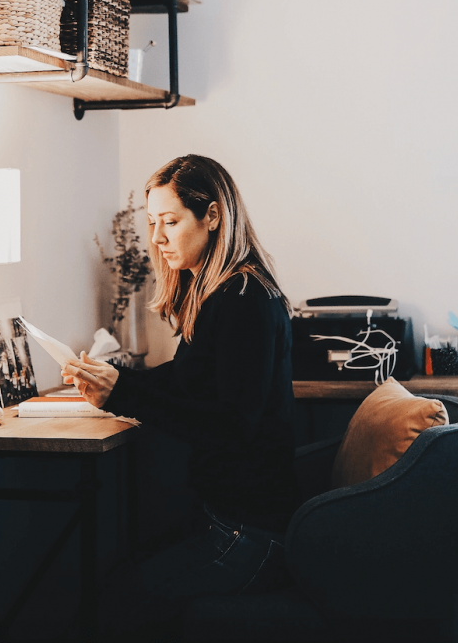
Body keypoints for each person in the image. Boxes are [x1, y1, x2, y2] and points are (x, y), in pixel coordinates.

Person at [62, 155, 299, 639]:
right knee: (117, 578)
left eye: (170, 222)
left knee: (116, 602)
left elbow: (233, 425)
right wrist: (115, 379)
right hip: (229, 521)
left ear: (212, 216)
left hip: (249, 534)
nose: (157, 238)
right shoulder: (220, 292)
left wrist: (124, 392)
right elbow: (192, 378)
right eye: (151, 223)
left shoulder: (243, 299)